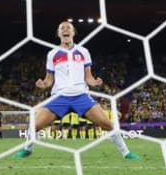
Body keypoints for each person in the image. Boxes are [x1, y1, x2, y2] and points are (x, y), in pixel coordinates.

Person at [13, 21, 141, 160]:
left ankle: (126, 153)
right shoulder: (52, 54)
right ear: (59, 34)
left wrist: (95, 82)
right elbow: (49, 79)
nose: (65, 29)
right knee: (35, 125)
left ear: (73, 33)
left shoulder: (83, 52)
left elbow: (89, 77)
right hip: (59, 97)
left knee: (107, 124)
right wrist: (44, 84)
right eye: (62, 28)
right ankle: (27, 149)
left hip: (81, 96)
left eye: (69, 28)